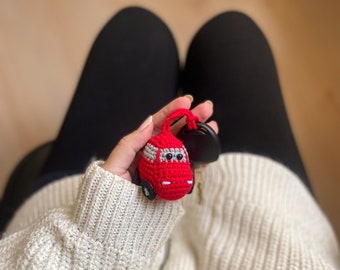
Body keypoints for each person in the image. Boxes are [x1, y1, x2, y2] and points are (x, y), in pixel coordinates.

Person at [0, 6, 339, 269]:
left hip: (72, 235)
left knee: (139, 32)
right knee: (232, 34)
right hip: (263, 223)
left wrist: (96, 234)